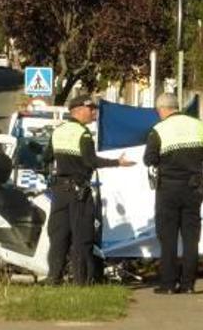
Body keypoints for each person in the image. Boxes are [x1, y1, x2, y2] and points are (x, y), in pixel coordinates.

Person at [42, 94, 134, 285]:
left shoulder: (58, 131)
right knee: (82, 239)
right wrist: (118, 162)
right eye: (91, 109)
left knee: (58, 237)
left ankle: (53, 278)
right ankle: (81, 282)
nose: (94, 113)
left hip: (59, 192)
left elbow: (46, 157)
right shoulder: (82, 134)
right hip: (78, 194)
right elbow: (90, 161)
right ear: (78, 111)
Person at [143, 93, 203, 295]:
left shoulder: (159, 130)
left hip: (169, 189)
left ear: (162, 109)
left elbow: (149, 159)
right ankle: (188, 284)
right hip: (194, 187)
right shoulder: (198, 125)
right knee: (191, 238)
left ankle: (168, 284)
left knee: (168, 237)